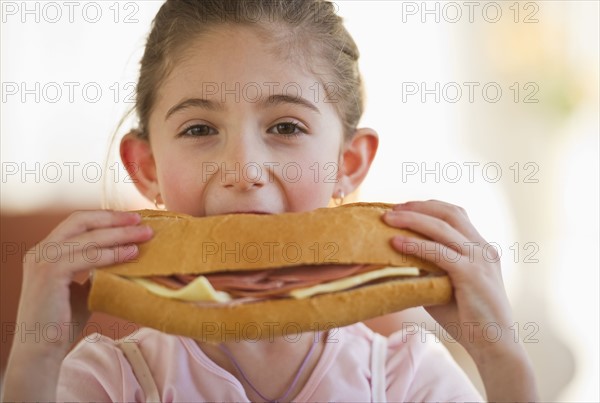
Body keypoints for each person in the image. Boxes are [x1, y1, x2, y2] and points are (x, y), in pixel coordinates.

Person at [2, 0, 538, 401]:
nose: (243, 169)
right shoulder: (109, 379)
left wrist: (501, 358)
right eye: (198, 129)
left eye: (285, 125)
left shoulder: (404, 377)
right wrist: (37, 357)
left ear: (347, 164)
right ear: (147, 168)